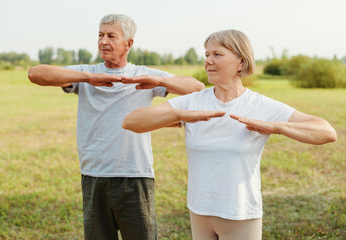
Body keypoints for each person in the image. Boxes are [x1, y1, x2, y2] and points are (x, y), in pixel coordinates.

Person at [122, 29, 337, 240]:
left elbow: (326, 132)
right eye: (206, 54)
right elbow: (131, 122)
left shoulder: (260, 105)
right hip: (200, 212)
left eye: (217, 54)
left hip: (240, 215)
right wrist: (179, 114)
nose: (208, 60)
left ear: (241, 62)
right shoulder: (191, 101)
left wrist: (277, 127)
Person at [28, 14, 204, 240]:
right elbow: (35, 74)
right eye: (100, 35)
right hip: (94, 175)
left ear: (129, 43)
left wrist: (159, 81)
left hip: (135, 176)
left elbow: (197, 88)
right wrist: (88, 78)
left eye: (111, 36)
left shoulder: (143, 74)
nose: (103, 41)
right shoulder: (85, 73)